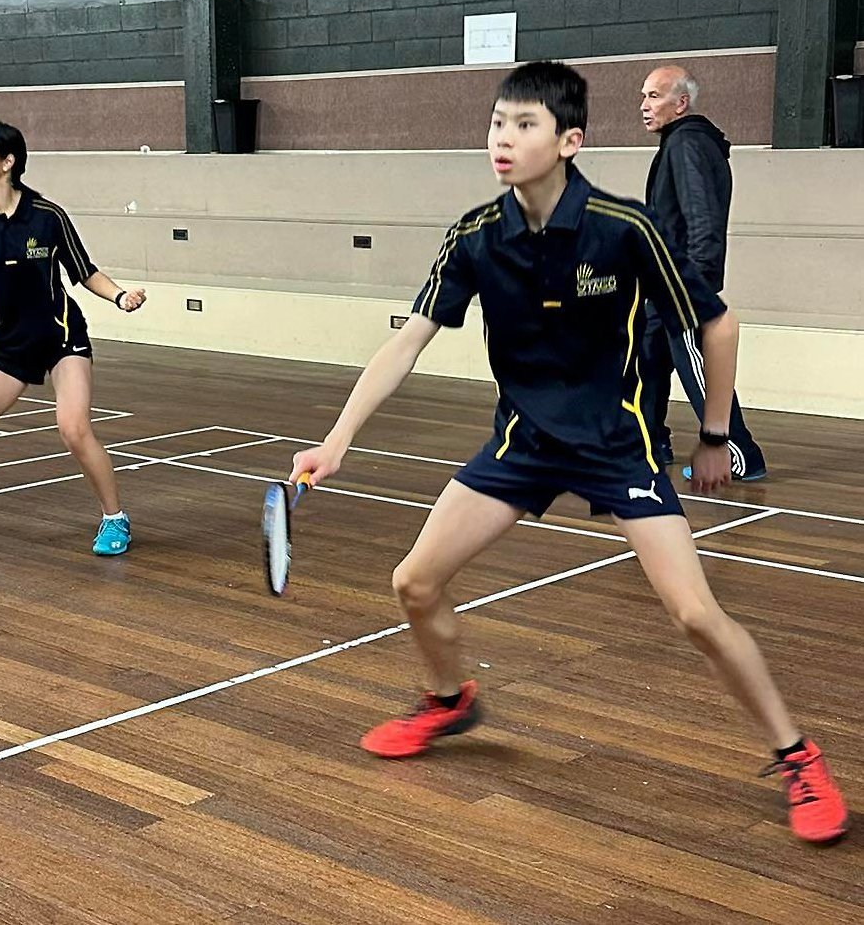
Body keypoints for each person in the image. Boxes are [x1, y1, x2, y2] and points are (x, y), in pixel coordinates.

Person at [289, 62, 846, 844]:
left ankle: (796, 755)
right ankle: (449, 699)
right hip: (522, 444)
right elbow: (408, 337)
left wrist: (714, 433)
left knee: (694, 613)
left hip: (619, 446)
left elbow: (717, 324)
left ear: (569, 140)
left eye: (523, 125)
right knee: (413, 581)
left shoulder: (623, 229)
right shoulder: (476, 237)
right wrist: (337, 438)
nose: (503, 140)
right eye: (495, 124)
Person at [0, 119, 146, 556]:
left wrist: (119, 297)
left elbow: (85, 271)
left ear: (8, 161)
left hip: (61, 336)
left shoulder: (47, 217)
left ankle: (115, 519)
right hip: (9, 344)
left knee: (74, 429)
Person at [639, 66, 766, 479]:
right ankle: (651, 442)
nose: (644, 105)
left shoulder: (687, 145)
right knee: (648, 358)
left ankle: (739, 453)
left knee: (700, 367)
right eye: (644, 96)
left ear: (681, 103)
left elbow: (703, 221)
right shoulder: (679, 144)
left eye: (655, 96)